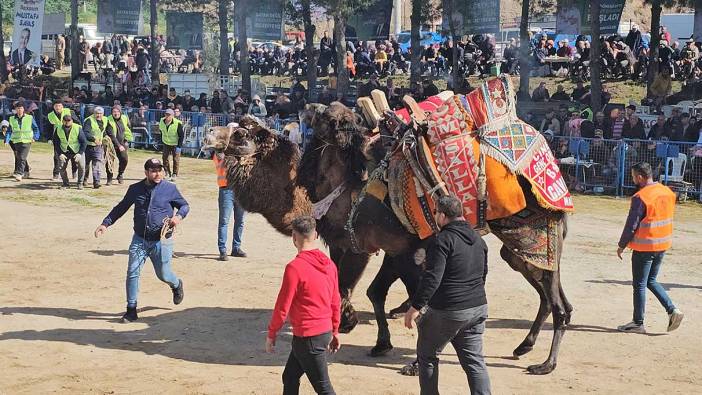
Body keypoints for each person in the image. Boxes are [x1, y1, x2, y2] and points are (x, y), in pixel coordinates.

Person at [404, 196, 491, 395]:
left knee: (427, 355)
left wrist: (414, 308)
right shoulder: (479, 239)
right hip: (477, 308)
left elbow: (432, 278)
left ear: (442, 215)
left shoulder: (442, 240)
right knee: (475, 362)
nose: (435, 216)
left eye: (436, 213)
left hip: (449, 310)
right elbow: (483, 274)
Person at [94, 158, 189, 323]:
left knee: (163, 274)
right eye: (153, 170)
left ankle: (176, 284)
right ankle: (131, 310)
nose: (157, 173)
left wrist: (178, 217)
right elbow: (121, 207)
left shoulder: (170, 189)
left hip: (162, 241)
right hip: (140, 240)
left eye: (160, 170)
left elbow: (184, 206)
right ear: (146, 172)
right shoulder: (135, 189)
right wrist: (105, 223)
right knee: (132, 272)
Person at [266, 215, 340, 395]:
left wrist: (272, 333)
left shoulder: (295, 268)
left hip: (308, 337)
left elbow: (283, 305)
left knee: (324, 389)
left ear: (294, 238)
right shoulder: (330, 265)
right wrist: (335, 331)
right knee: (290, 376)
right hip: (322, 333)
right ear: (315, 235)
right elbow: (335, 301)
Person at [616, 162, 684, 333]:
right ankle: (672, 310)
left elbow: (632, 224)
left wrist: (621, 245)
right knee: (651, 280)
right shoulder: (667, 192)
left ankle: (638, 322)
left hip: (645, 246)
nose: (632, 179)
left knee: (639, 284)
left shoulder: (641, 197)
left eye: (633, 176)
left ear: (640, 177)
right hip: (662, 244)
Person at [213, 151, 246, 261]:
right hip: (226, 189)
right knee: (224, 221)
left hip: (241, 190)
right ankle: (222, 250)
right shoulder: (220, 153)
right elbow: (221, 161)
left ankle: (236, 248)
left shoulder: (242, 154)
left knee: (240, 221)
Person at [4, 102, 40, 182]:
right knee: (19, 156)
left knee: (22, 157)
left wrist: (35, 137)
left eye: (21, 108)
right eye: (17, 108)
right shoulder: (11, 119)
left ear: (23, 109)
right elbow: (9, 131)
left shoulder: (29, 118)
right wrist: (7, 140)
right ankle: (26, 170)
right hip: (16, 141)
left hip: (27, 141)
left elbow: (36, 128)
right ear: (15, 110)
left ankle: (20, 173)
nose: (19, 110)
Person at [53, 115, 87, 189]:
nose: (67, 122)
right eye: (65, 120)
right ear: (63, 121)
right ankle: (65, 183)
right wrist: (60, 153)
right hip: (64, 151)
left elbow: (84, 142)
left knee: (82, 166)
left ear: (72, 121)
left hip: (76, 151)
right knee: (61, 167)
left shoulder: (77, 128)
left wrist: (80, 153)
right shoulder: (58, 128)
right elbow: (56, 143)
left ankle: (80, 183)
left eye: (69, 120)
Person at [46, 101, 77, 181]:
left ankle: (74, 172)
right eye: (56, 106)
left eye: (59, 106)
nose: (58, 108)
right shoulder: (50, 115)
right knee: (57, 156)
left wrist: (78, 135)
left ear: (62, 106)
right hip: (58, 138)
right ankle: (56, 174)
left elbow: (77, 123)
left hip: (71, 137)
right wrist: (49, 138)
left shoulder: (69, 112)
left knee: (73, 156)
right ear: (54, 107)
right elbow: (48, 128)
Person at [105, 105, 133, 185]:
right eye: (114, 112)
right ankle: (109, 178)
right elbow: (111, 135)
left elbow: (128, 128)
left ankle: (120, 174)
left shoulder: (124, 118)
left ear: (120, 112)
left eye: (117, 112)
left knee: (124, 159)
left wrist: (127, 140)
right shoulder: (109, 120)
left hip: (122, 143)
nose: (116, 113)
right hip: (111, 144)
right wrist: (118, 145)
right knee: (109, 162)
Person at [83, 107, 107, 188]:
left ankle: (96, 182)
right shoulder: (89, 120)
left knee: (97, 164)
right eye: (97, 113)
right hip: (87, 146)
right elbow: (85, 132)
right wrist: (94, 139)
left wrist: (107, 137)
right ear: (94, 113)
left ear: (103, 114)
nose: (98, 115)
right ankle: (84, 179)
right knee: (85, 164)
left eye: (100, 114)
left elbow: (105, 131)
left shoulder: (105, 120)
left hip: (98, 147)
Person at [159, 109, 184, 182]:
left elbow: (181, 136)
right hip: (166, 142)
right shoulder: (161, 121)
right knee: (164, 158)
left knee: (176, 159)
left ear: (173, 116)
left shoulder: (177, 123)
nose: (167, 116)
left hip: (175, 144)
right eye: (166, 114)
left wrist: (179, 146)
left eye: (169, 115)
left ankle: (174, 174)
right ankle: (167, 173)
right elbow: (161, 131)